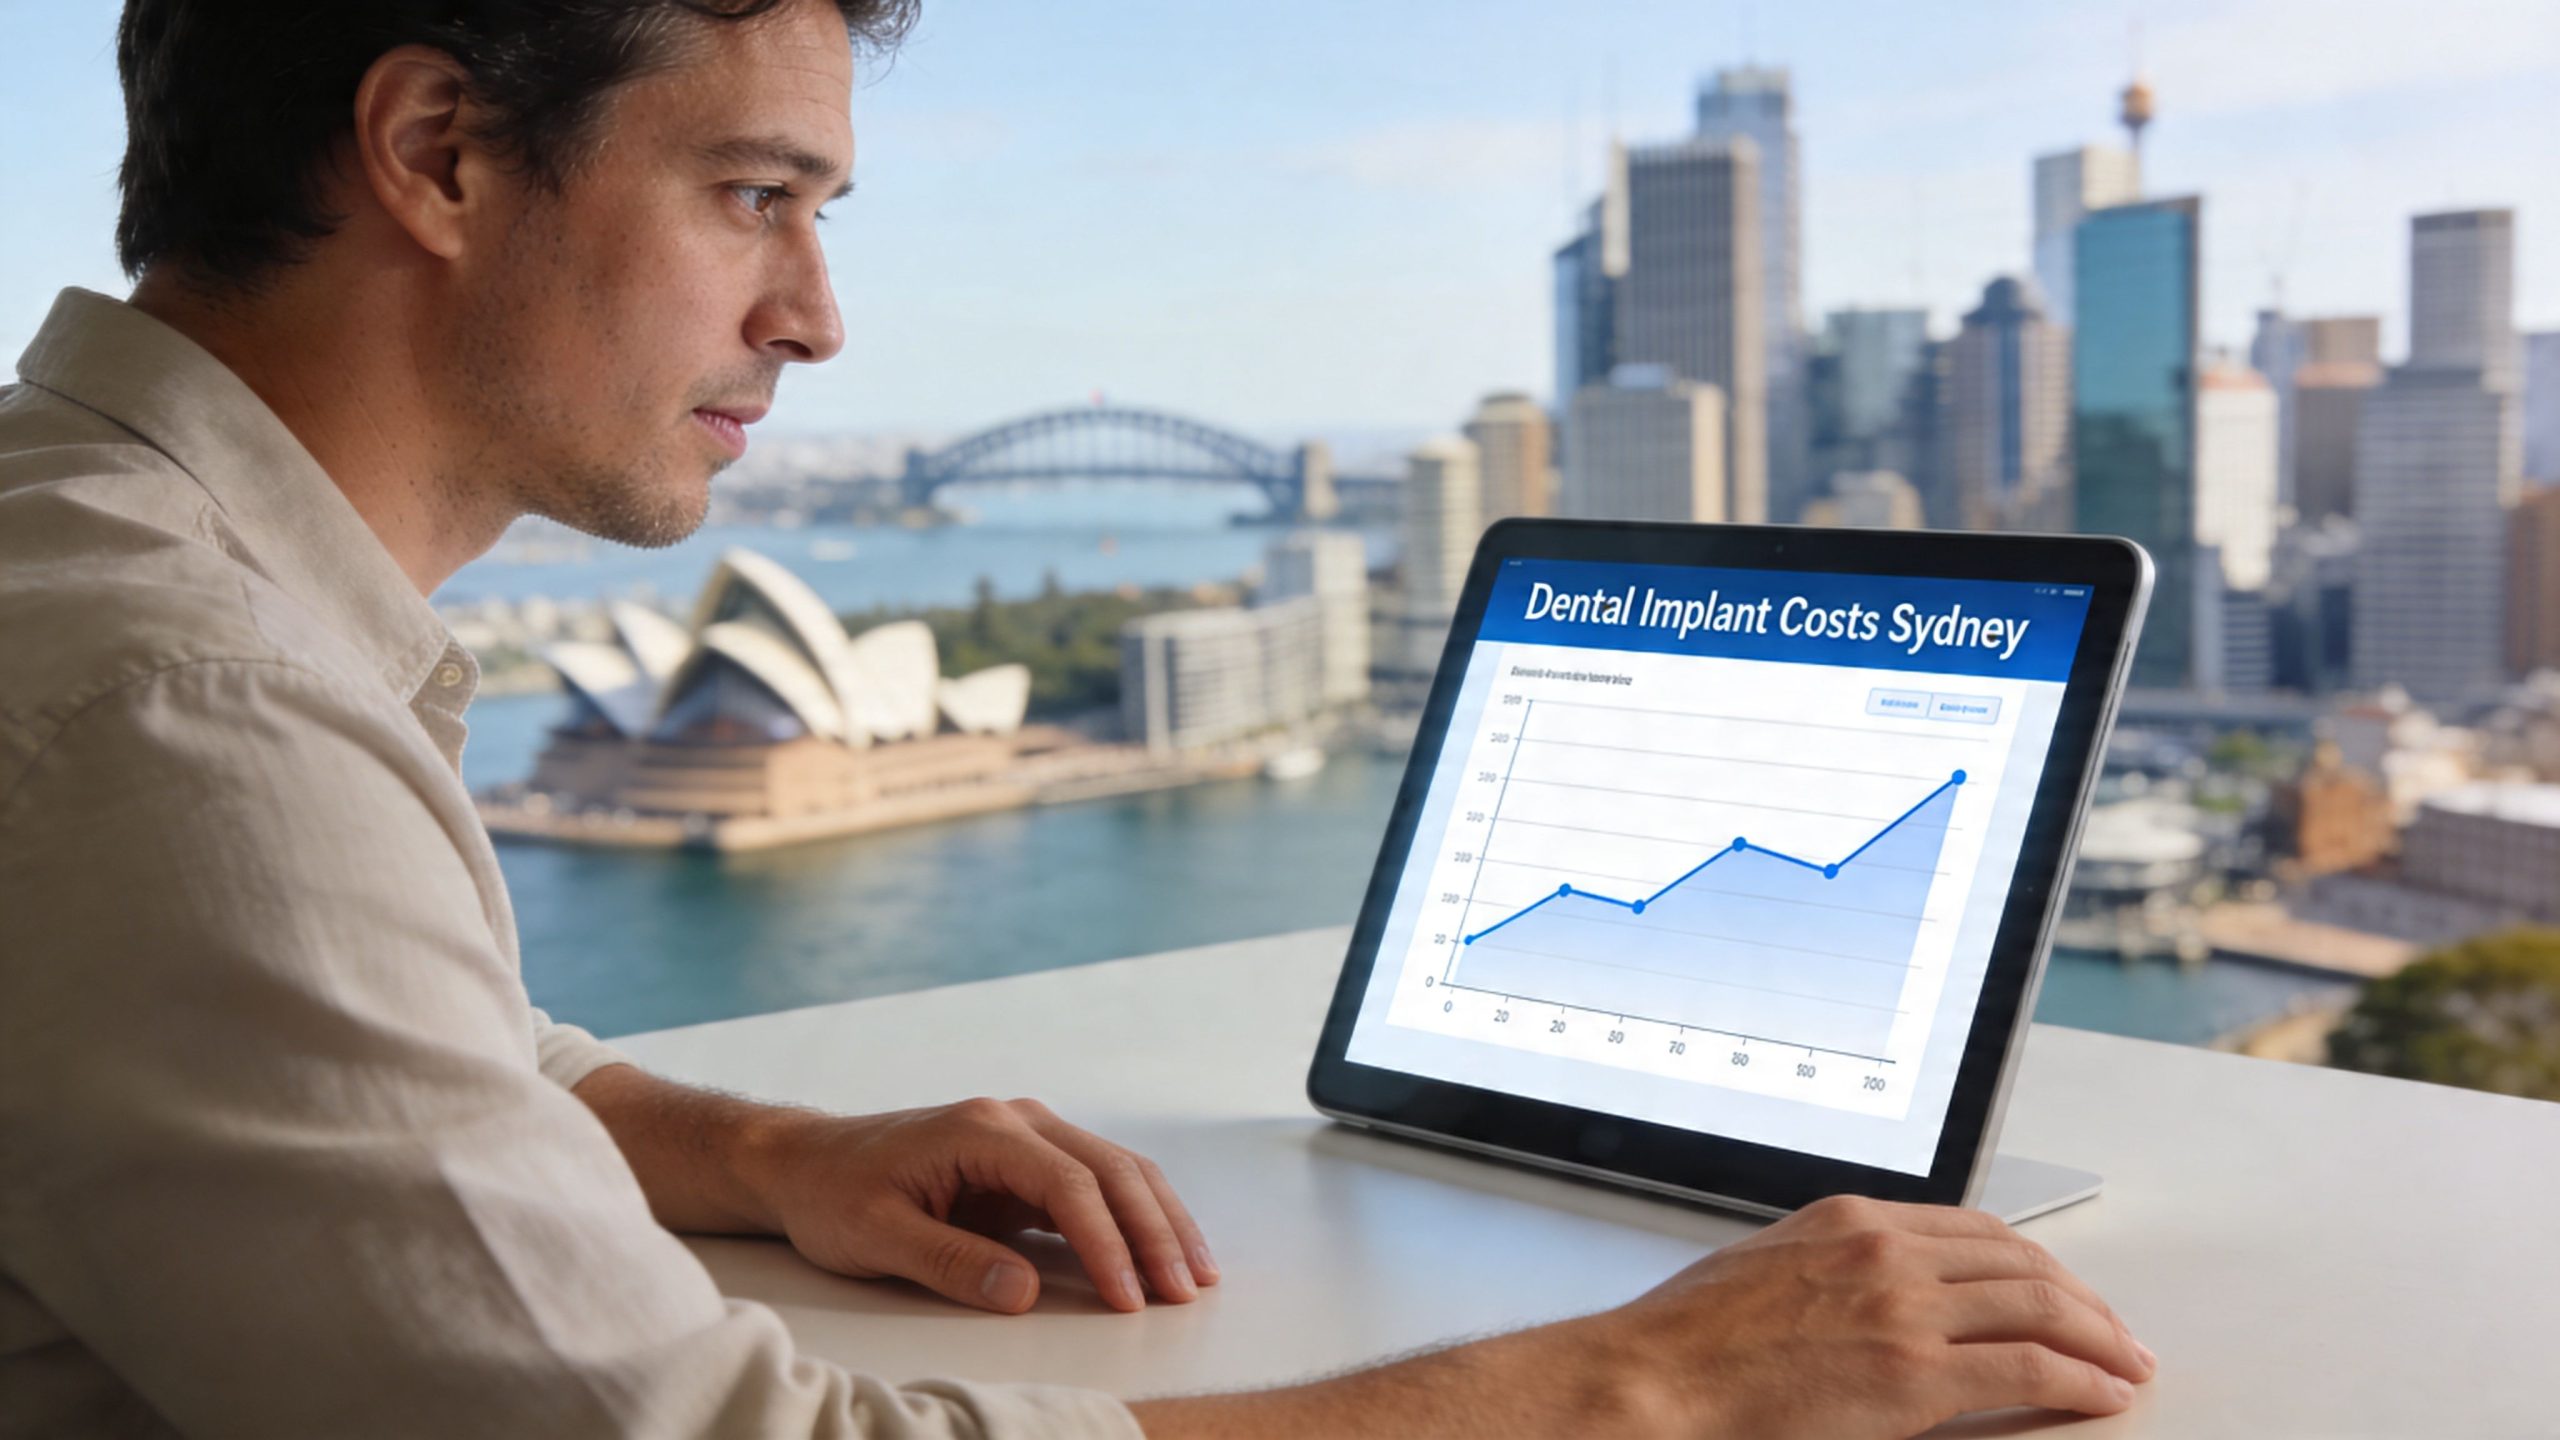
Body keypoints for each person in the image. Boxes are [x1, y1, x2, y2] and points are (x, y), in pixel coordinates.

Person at [0, 2, 2156, 1435]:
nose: (816, 317)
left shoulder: (110, 566)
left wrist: (752, 1151)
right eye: (757, 195)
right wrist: (1651, 1387)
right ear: (439, 151)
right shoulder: (183, 710)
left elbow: (371, 1034)